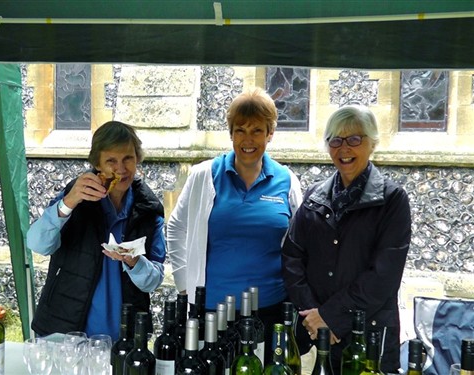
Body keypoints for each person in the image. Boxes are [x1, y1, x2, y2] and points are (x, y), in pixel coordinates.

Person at [166, 88, 303, 363]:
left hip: (271, 310)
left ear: (270, 134)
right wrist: (184, 284)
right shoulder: (204, 176)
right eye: (240, 130)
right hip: (213, 310)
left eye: (257, 131)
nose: (248, 140)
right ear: (230, 134)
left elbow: (300, 244)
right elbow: (176, 228)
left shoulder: (286, 181)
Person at [281, 105, 411, 373]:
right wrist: (312, 316)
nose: (344, 148)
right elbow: (292, 256)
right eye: (336, 140)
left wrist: (329, 317)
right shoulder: (315, 197)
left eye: (354, 139)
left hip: (368, 336)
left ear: (372, 143)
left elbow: (383, 276)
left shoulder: (392, 200)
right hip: (317, 335)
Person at [27, 121, 166, 340]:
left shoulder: (148, 210)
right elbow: (37, 244)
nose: (121, 169)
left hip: (121, 338)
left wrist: (133, 261)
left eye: (128, 158)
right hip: (65, 334)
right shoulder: (76, 196)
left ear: (137, 158)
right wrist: (68, 202)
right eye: (111, 160)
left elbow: (153, 279)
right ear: (97, 164)